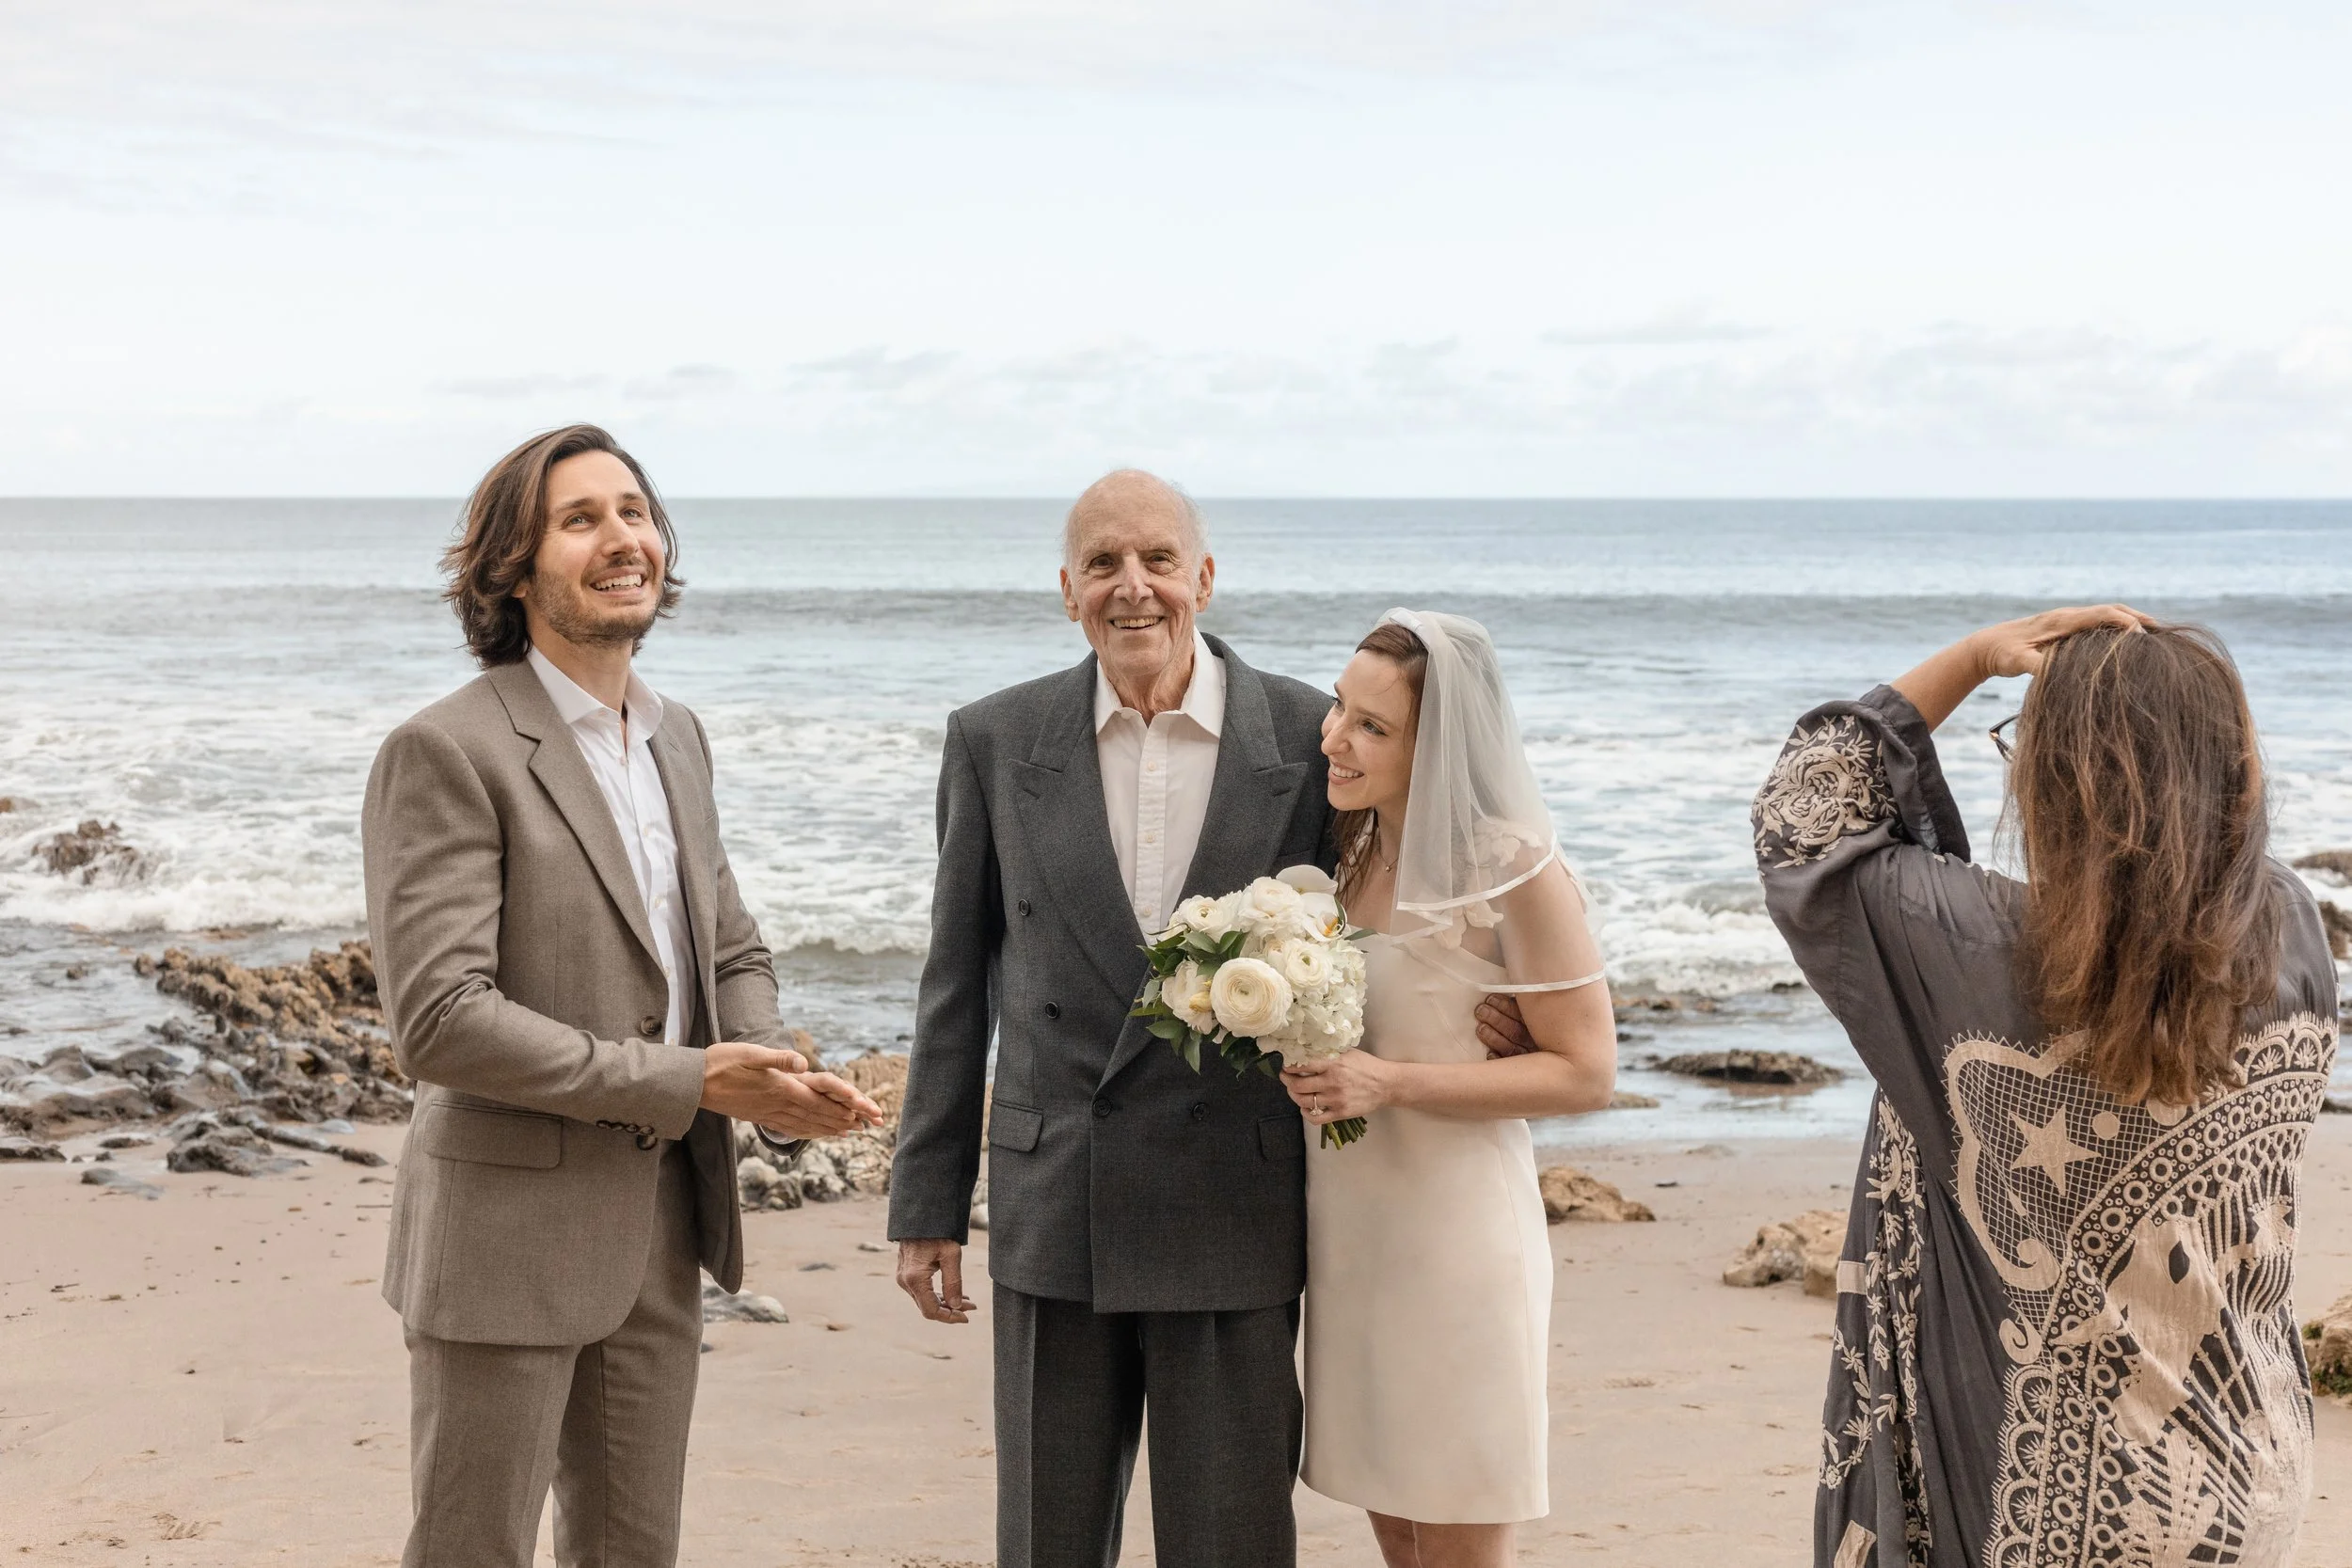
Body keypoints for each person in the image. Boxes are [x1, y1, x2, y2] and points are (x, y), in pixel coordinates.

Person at [886, 474, 1533, 1568]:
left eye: (1156, 560)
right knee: (1045, 1541)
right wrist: (927, 1198)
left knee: (1232, 1544)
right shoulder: (993, 739)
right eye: (1101, 564)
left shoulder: (1307, 736)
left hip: (1235, 1203)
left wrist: (1495, 993)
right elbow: (955, 982)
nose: (1131, 587)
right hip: (1056, 1205)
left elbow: (1425, 863)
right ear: (1065, 590)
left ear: (1203, 577)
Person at [363, 422, 882, 1568]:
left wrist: (769, 1070)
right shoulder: (446, 750)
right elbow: (440, 1018)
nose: (622, 538)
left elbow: (726, 942)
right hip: (502, 1235)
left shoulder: (676, 736)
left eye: (635, 511)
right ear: (513, 565)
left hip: (661, 1228)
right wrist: (689, 1080)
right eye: (581, 517)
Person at [1752, 607, 2338, 1568]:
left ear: (2054, 780)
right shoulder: (2289, 929)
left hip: (2073, 1509)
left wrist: (1977, 658)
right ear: (2232, 769)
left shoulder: (1982, 956)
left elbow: (1804, 819)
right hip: (2251, 1464)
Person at [1277, 610, 1618, 1568]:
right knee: (1398, 1531)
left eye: (1372, 725)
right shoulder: (1345, 849)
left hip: (1456, 1241)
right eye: (1340, 707)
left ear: (1441, 744)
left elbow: (1588, 1068)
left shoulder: (1512, 867)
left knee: (1461, 1539)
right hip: (1351, 1237)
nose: (1334, 736)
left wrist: (1390, 1081)